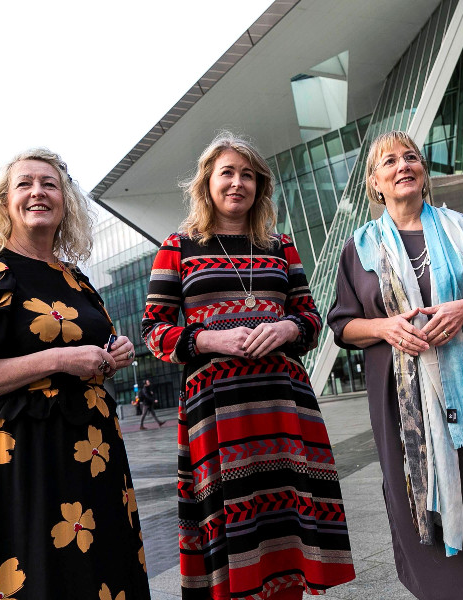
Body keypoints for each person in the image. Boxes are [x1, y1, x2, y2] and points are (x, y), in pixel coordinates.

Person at [142, 132, 355, 600]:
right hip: (218, 413)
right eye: (227, 173)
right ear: (206, 181)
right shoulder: (177, 246)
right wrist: (210, 338)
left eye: (248, 175)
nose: (237, 183)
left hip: (283, 405)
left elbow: (312, 320)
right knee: (231, 525)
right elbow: (154, 332)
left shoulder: (281, 245)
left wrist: (287, 330)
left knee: (287, 528)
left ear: (260, 186)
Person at [0, 149, 150, 599]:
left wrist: (115, 354)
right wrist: (57, 360)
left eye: (49, 184)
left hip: (94, 449)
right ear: (4, 201)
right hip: (22, 453)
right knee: (38, 571)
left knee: (101, 569)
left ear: (65, 202)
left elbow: (87, 351)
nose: (38, 192)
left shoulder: (75, 278)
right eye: (25, 183)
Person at [327, 131, 463, 600]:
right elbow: (342, 325)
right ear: (375, 182)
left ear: (424, 171)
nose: (402, 165)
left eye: (410, 157)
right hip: (401, 407)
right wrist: (384, 328)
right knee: (416, 502)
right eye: (388, 161)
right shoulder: (359, 247)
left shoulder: (462, 228)